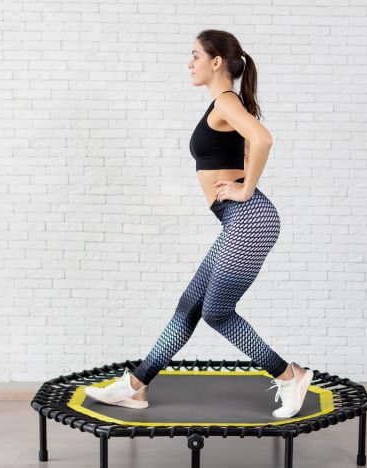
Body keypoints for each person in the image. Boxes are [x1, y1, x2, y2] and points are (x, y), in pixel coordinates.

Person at [85, 30, 312, 418]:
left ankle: (290, 375)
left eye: (194, 56)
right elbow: (245, 147)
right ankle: (136, 386)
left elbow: (263, 139)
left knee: (217, 312)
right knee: (189, 306)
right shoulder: (223, 104)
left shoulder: (225, 102)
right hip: (239, 220)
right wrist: (241, 184)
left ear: (216, 62)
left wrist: (245, 189)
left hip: (249, 218)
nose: (189, 63)